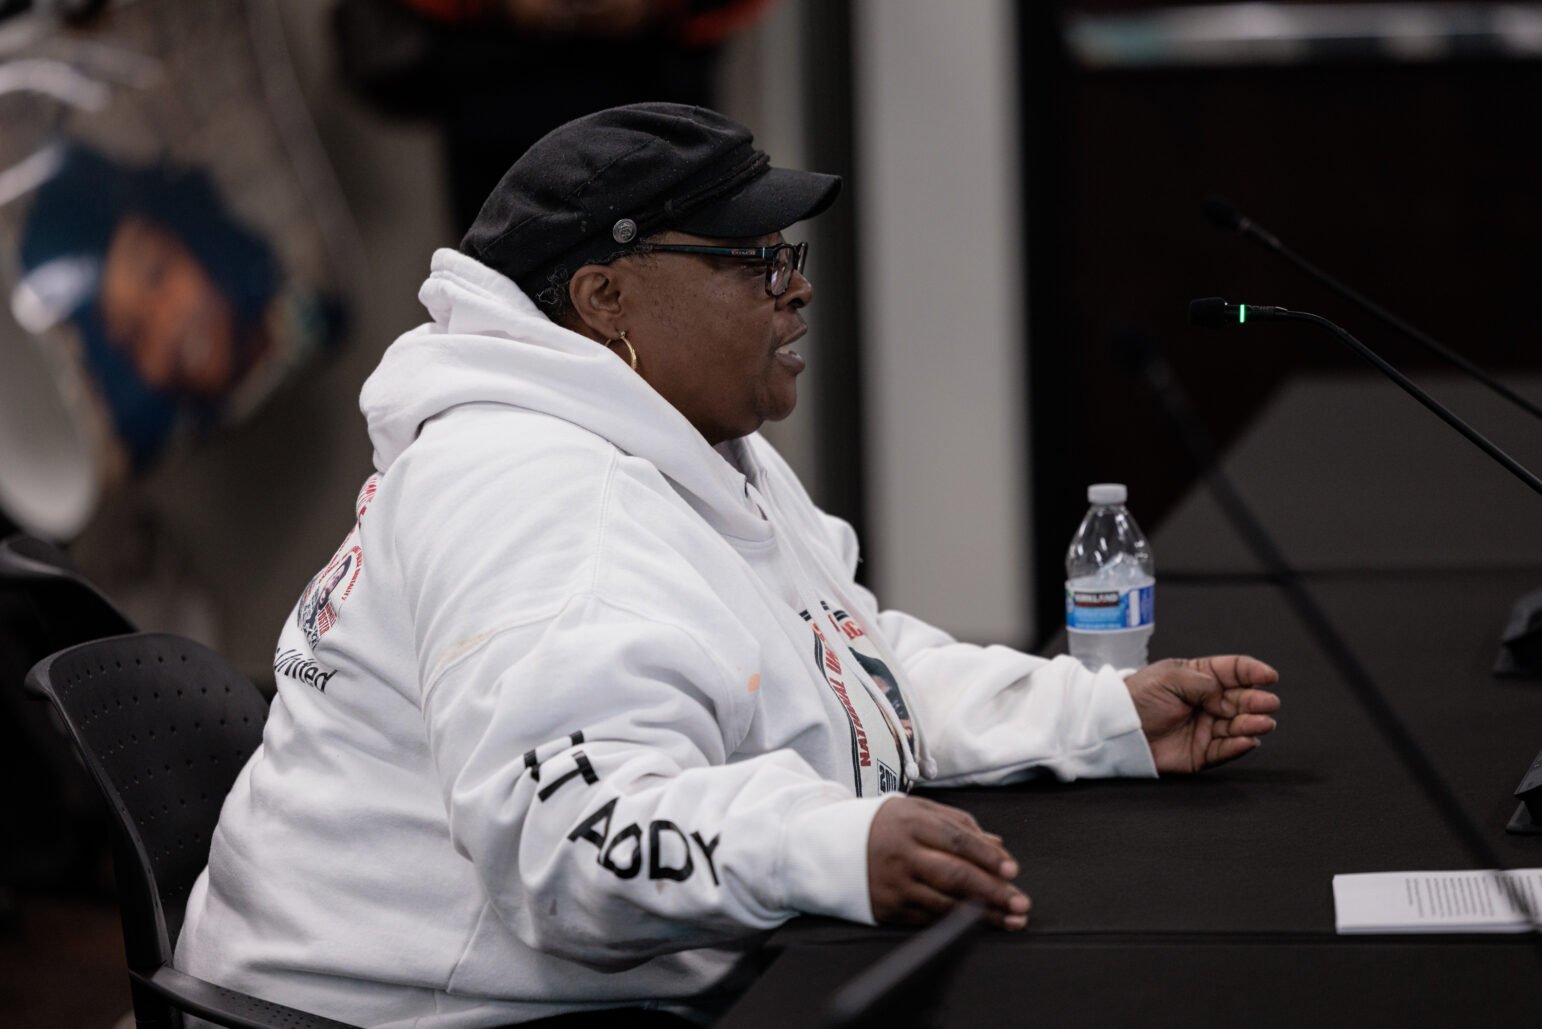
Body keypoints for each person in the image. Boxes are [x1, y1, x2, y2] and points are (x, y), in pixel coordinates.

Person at [175, 103, 1281, 1027]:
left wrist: (1099, 716)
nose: (795, 290)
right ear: (605, 300)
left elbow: (843, 661)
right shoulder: (539, 494)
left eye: (788, 257)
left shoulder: (688, 441)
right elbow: (569, 841)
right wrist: (825, 847)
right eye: (752, 262)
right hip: (407, 1012)